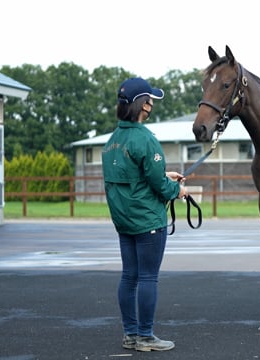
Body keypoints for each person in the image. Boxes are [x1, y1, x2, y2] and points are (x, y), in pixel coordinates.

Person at [102, 77, 187, 352]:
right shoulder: (145, 138)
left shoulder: (113, 140)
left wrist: (164, 174)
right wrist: (177, 190)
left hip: (124, 221)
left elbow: (136, 175)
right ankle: (146, 337)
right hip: (148, 220)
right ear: (144, 104)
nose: (152, 103)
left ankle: (130, 334)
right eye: (150, 99)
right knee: (149, 277)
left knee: (129, 276)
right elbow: (159, 186)